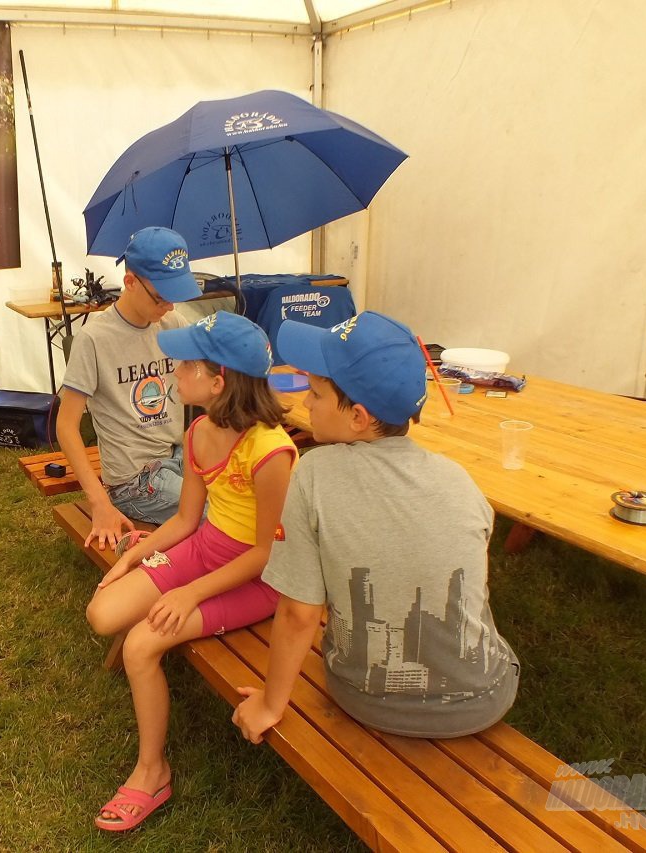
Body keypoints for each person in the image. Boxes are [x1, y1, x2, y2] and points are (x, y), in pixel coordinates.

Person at [233, 312, 519, 747]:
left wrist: (271, 705)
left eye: (315, 392)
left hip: (366, 697)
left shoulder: (312, 475)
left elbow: (299, 614)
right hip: (484, 698)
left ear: (359, 418)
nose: (306, 404)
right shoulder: (459, 478)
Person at [85, 311, 298, 832]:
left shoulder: (270, 451)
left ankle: (152, 771)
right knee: (102, 612)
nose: (173, 371)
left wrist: (189, 595)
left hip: (256, 578)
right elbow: (185, 519)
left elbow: (265, 555)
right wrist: (135, 556)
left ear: (218, 381)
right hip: (206, 550)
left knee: (140, 645)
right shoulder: (200, 427)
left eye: (183, 365)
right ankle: (166, 606)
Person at [55, 226, 202, 550]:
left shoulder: (171, 324)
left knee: (240, 501)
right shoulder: (94, 339)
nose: (171, 308)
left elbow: (209, 367)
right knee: (213, 515)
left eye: (175, 297)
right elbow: (65, 426)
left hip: (178, 457)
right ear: (130, 281)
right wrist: (99, 503)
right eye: (162, 298)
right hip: (135, 482)